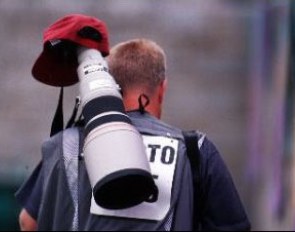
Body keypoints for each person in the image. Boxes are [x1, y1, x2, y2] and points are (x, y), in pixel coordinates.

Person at [16, 15, 251, 231]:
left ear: (111, 86)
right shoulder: (194, 150)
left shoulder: (65, 145)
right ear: (161, 89)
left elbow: (29, 223)